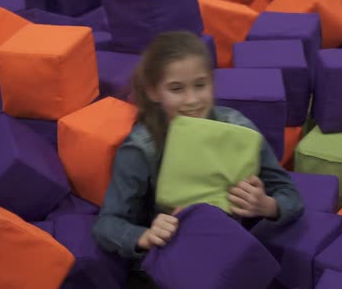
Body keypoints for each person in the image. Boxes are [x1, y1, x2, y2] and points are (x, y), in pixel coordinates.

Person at [92, 31, 304, 288]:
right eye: (176, 89)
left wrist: (267, 205)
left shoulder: (238, 130)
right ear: (153, 91)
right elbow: (107, 224)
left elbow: (290, 196)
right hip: (166, 266)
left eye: (200, 85)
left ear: (212, 84)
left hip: (229, 258)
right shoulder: (141, 149)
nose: (192, 100)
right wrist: (145, 235)